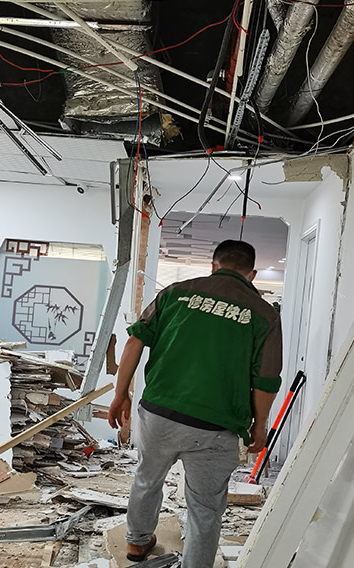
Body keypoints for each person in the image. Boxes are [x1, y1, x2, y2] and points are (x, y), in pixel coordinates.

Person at [108, 239, 283, 567]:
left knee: (147, 479)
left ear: (213, 265)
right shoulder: (264, 314)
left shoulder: (176, 292)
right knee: (205, 507)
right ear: (252, 274)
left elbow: (134, 341)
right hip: (216, 426)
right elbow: (266, 379)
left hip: (160, 413)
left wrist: (121, 395)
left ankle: (136, 543)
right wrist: (260, 426)